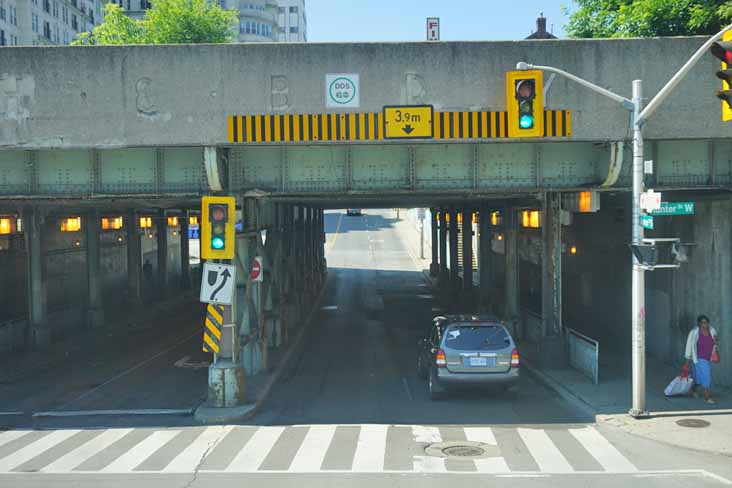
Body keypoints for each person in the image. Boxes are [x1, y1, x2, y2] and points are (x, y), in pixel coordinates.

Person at [685, 315, 719, 404]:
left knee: (698, 378)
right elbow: (689, 345)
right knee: (706, 375)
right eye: (703, 322)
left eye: (707, 322)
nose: (706, 324)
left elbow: (715, 341)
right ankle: (707, 397)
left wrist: (716, 342)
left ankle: (693, 390)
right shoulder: (694, 332)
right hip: (699, 358)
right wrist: (688, 359)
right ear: (699, 323)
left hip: (708, 357)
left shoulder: (712, 330)